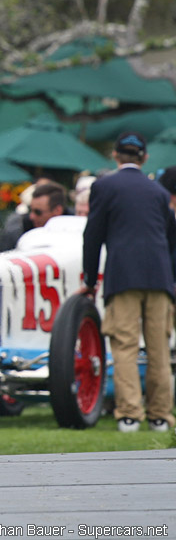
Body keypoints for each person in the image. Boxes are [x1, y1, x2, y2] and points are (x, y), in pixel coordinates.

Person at [80, 132, 176, 434]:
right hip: (160, 278)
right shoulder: (159, 193)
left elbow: (92, 235)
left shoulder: (104, 186)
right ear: (144, 158)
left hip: (123, 276)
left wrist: (90, 279)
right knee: (159, 347)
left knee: (124, 346)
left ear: (115, 156)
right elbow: (172, 237)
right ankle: (161, 416)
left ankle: (130, 415)